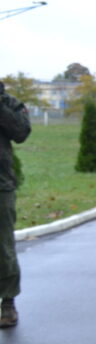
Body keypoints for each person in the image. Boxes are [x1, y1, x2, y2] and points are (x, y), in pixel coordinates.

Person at [0, 81, 30, 329]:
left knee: (3, 247)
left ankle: (7, 302)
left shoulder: (9, 103)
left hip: (1, 187)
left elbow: (21, 132)